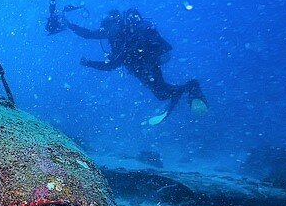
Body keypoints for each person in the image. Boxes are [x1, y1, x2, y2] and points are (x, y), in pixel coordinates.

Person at [59, 7, 208, 125]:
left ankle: (191, 86)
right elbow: (89, 34)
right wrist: (70, 25)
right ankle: (183, 90)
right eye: (105, 27)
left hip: (146, 64)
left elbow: (111, 65)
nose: (106, 31)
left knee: (161, 92)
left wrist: (89, 63)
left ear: (117, 23)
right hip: (139, 66)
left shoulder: (129, 40)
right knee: (161, 94)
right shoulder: (113, 32)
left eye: (109, 27)